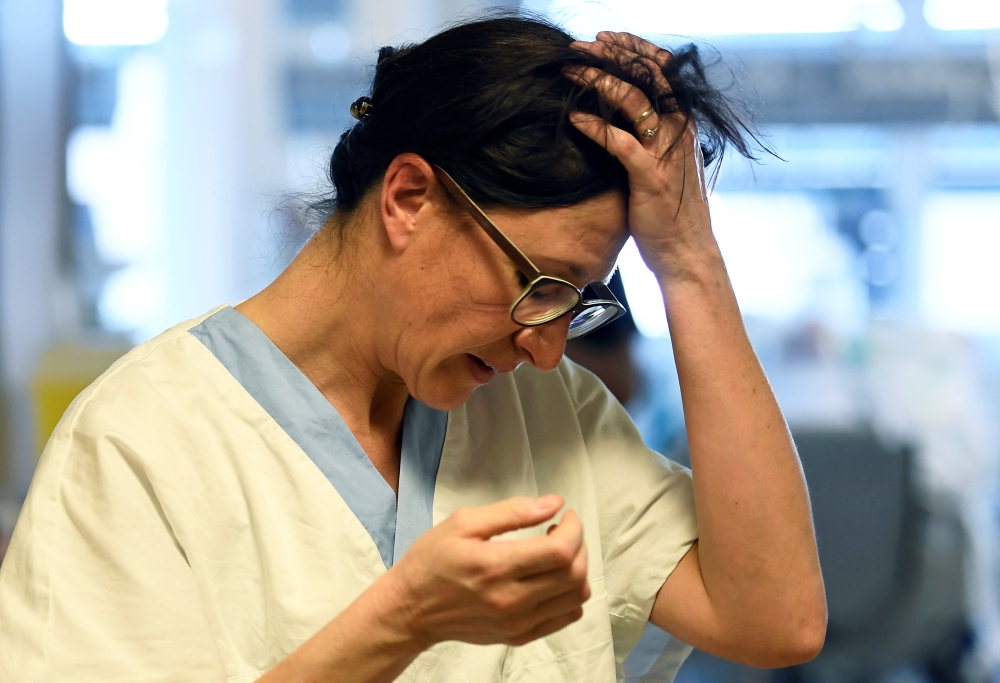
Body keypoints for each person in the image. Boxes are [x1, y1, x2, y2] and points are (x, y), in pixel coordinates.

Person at [0, 16, 826, 683]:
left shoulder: (550, 413)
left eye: (575, 304)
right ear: (409, 198)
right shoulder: (138, 443)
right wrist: (405, 619)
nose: (545, 353)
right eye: (540, 283)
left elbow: (775, 617)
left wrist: (689, 266)